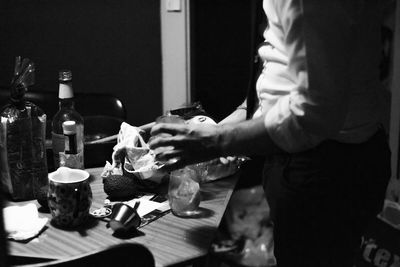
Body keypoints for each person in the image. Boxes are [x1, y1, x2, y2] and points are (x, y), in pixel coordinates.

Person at [149, 1, 391, 266]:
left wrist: (213, 142)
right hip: (326, 160)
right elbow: (283, 75)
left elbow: (313, 111)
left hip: (327, 171)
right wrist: (216, 130)